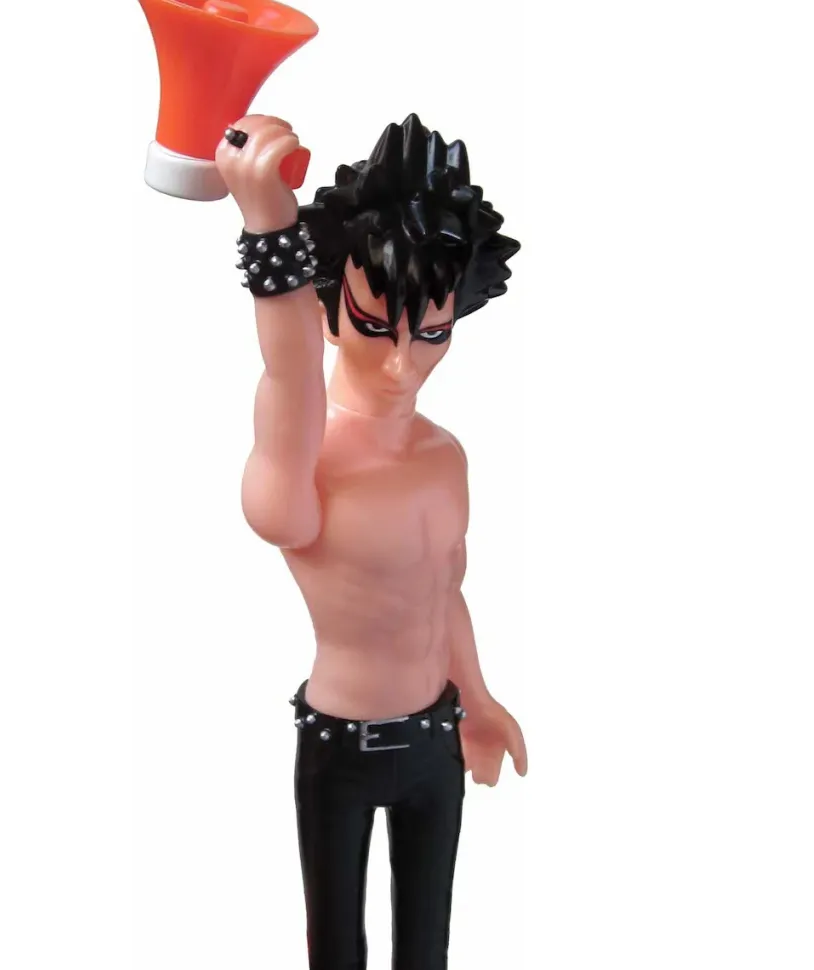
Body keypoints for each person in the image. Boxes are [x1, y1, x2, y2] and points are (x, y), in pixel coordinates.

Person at [215, 112, 527, 970]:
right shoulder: (304, 472)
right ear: (326, 310)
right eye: (371, 320)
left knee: (428, 949)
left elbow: (442, 588)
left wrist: (479, 697)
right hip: (339, 752)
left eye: (432, 331)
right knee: (336, 952)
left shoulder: (446, 457)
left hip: (437, 740)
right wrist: (270, 229)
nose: (401, 361)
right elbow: (287, 378)